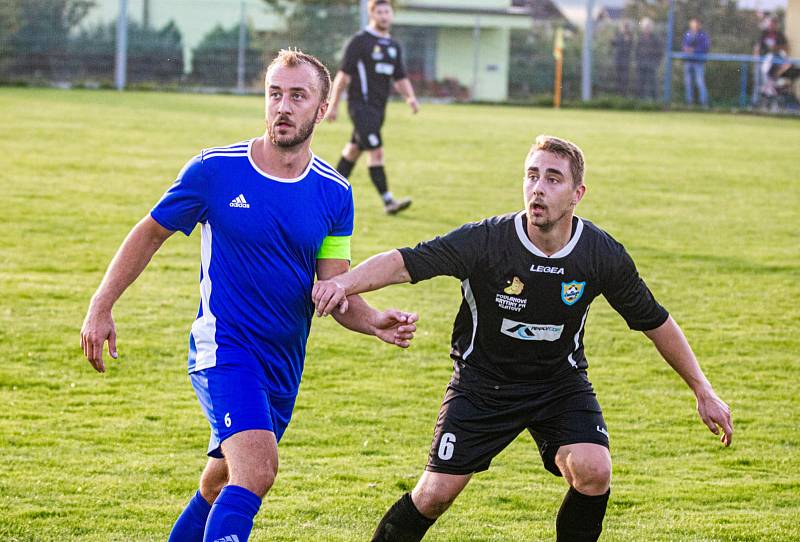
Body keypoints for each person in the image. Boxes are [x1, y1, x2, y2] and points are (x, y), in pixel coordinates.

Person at [312, 135, 733, 542]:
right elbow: (405, 263)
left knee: (593, 470)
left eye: (553, 179)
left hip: (558, 383)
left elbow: (653, 321)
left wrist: (703, 389)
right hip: (482, 384)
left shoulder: (600, 254)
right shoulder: (488, 240)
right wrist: (344, 284)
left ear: (577, 193)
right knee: (435, 494)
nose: (538, 188)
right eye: (532, 176)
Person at [79, 49, 418, 542]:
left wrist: (372, 320)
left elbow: (332, 284)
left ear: (322, 109)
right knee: (257, 469)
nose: (282, 106)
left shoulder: (335, 192)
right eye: (274, 93)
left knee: (219, 484)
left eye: (297, 96)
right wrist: (100, 306)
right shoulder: (214, 171)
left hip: (282, 363)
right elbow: (149, 233)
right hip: (224, 348)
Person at [328, 0, 419, 215]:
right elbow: (343, 76)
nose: (384, 16)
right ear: (372, 15)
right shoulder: (360, 42)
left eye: (387, 12)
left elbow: (400, 77)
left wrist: (411, 98)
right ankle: (389, 201)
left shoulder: (394, 47)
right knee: (376, 152)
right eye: (380, 12)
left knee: (352, 152)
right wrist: (333, 104)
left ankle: (324, 194)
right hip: (360, 106)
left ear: (392, 15)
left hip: (378, 110)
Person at [682, 18, 710, 107]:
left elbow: (705, 48)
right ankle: (689, 102)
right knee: (688, 82)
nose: (694, 26)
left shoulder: (703, 35)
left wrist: (694, 50)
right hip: (688, 61)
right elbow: (684, 45)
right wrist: (686, 49)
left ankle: (703, 102)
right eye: (693, 24)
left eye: (696, 24)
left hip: (698, 62)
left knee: (700, 82)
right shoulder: (688, 34)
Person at [634, 18, 662, 100]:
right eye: (645, 27)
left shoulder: (655, 39)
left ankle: (655, 101)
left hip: (652, 65)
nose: (647, 28)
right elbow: (636, 51)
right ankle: (640, 101)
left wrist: (656, 62)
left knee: (652, 84)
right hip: (641, 64)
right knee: (640, 83)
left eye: (648, 27)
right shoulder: (640, 38)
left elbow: (659, 52)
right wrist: (638, 61)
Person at [611, 22, 633, 96]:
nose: (624, 29)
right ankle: (618, 94)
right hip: (618, 62)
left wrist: (627, 40)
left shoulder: (629, 37)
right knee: (618, 79)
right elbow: (612, 42)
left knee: (625, 79)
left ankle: (624, 94)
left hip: (625, 62)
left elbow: (629, 48)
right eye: (623, 27)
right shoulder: (618, 36)